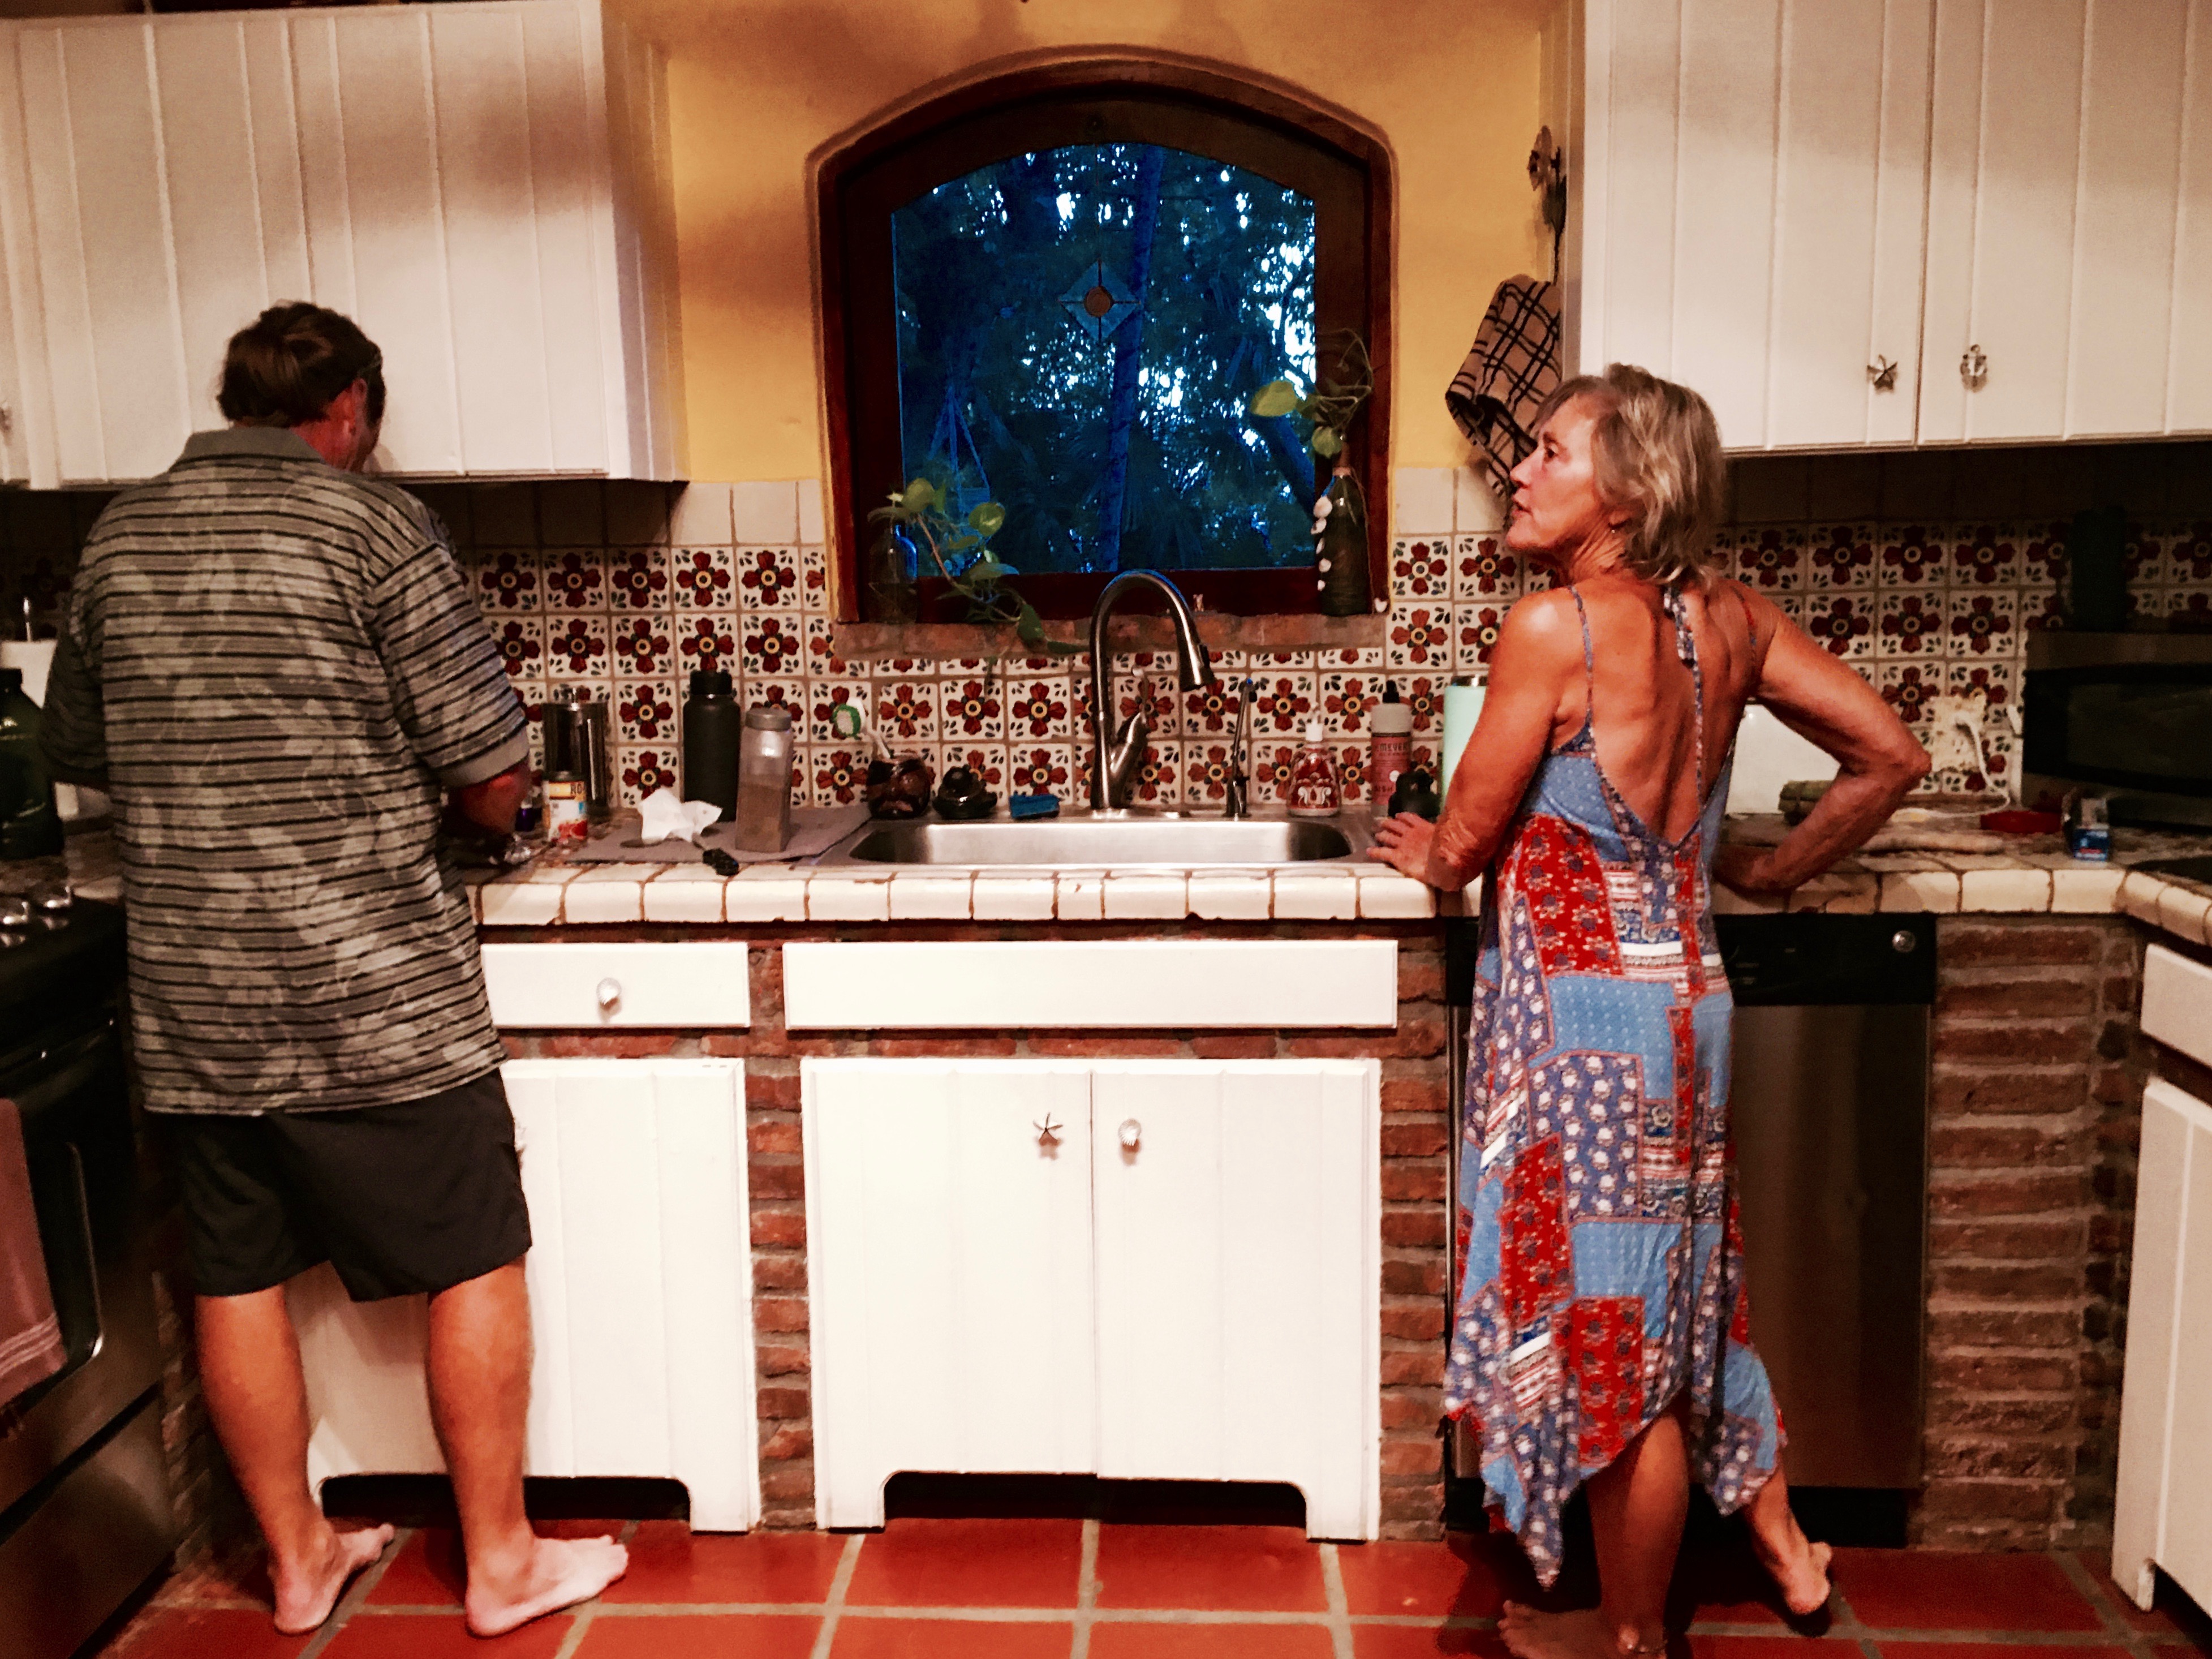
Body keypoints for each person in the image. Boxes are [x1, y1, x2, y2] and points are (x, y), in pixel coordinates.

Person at [38, 303, 626, 1639]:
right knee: (473, 1248)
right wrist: (480, 810)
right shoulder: (373, 525)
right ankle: (500, 1561)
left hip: (196, 995)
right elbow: (489, 768)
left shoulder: (122, 534)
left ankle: (298, 1557)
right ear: (351, 407)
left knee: (236, 1270)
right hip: (371, 988)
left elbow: (78, 741)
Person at [1368, 364, 1927, 1659]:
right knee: (1687, 1298)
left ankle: (1628, 1633)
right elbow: (1889, 753)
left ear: (1626, 490)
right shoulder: (1730, 619)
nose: (1519, 470)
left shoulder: (1552, 626)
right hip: (1683, 1009)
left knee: (1618, 1340)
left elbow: (1462, 845)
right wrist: (1766, 871)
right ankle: (1783, 1549)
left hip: (1582, 1033)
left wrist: (1423, 850)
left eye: (1549, 452)